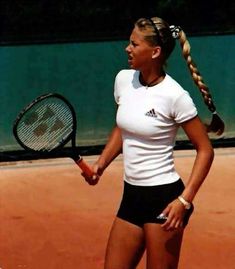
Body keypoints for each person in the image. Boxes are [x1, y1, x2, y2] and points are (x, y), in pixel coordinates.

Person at [82, 16, 224, 269]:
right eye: (129, 42)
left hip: (165, 201)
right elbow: (123, 125)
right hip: (132, 196)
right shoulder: (124, 80)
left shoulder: (174, 95)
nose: (128, 49)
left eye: (134, 44)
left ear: (155, 52)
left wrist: (184, 201)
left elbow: (205, 150)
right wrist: (100, 164)